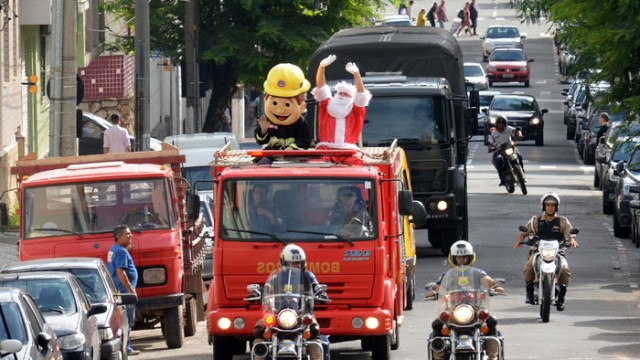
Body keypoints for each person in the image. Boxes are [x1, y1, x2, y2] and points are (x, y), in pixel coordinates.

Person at [253, 244, 329, 360]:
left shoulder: (308, 275)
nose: (297, 265)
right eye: (293, 263)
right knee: (259, 328)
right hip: (278, 312)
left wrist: (320, 293)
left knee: (314, 328)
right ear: (284, 262)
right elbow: (267, 290)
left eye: (299, 263)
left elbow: (316, 287)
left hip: (301, 313)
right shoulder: (276, 277)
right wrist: (258, 294)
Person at [429, 241, 502, 360]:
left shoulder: (478, 273)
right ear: (453, 258)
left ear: (470, 258)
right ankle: (438, 357)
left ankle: (492, 356)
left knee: (491, 321)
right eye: (458, 257)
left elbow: (488, 281)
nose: (461, 260)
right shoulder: (447, 275)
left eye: (464, 257)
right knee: (437, 324)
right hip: (453, 310)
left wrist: (494, 287)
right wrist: (434, 292)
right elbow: (439, 288)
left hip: (474, 309)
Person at [514, 192, 579, 311]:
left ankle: (562, 298)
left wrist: (572, 240)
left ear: (556, 207)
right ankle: (529, 293)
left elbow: (570, 234)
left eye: (553, 205)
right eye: (548, 205)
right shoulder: (535, 220)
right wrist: (519, 241)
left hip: (557, 252)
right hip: (537, 252)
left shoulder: (562, 221)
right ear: (543, 206)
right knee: (528, 267)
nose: (550, 207)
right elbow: (523, 233)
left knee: (564, 269)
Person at [312, 54, 372, 164]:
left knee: (358, 169)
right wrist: (321, 67)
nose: (342, 96)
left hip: (348, 152)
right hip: (325, 150)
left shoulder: (355, 109)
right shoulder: (327, 105)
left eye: (346, 94)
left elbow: (361, 95)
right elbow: (321, 88)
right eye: (340, 93)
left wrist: (356, 74)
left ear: (351, 98)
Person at [255, 63, 311, 152]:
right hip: (270, 156)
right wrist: (263, 131)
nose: (280, 110)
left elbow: (305, 140)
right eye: (275, 103)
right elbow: (260, 141)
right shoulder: (266, 120)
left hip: (294, 159)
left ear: (301, 104)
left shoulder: (300, 122)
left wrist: (292, 148)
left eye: (287, 104)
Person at [107, 225, 139, 356]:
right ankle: (127, 348)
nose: (131, 236)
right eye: (127, 234)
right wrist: (130, 290)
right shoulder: (121, 252)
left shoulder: (114, 249)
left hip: (120, 290)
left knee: (124, 320)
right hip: (125, 292)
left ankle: (127, 346)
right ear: (119, 237)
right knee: (127, 320)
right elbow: (121, 272)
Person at [487, 115, 524, 186]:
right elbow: (490, 144)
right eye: (499, 122)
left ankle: (522, 170)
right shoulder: (493, 133)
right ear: (496, 123)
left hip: (510, 148)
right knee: (497, 160)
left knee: (519, 156)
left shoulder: (508, 128)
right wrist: (491, 148)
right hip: (499, 150)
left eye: (503, 122)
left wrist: (519, 134)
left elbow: (516, 130)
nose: (501, 124)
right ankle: (502, 179)